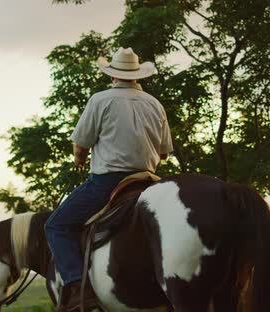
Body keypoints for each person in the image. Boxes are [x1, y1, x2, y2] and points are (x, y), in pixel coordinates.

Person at [44, 47, 173, 311]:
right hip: (149, 182)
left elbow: (80, 146)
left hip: (108, 183)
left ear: (112, 75)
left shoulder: (100, 100)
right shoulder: (154, 103)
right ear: (138, 76)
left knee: (55, 226)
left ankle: (80, 290)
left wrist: (79, 160)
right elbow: (163, 153)